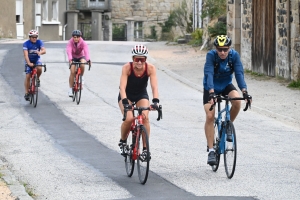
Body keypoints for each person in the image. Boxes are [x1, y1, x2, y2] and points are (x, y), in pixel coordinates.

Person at [203, 35, 252, 165]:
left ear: (229, 48)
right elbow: (208, 73)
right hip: (211, 87)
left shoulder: (234, 56)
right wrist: (212, 92)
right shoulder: (211, 56)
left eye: (225, 49)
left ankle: (228, 125)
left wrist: (245, 91)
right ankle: (211, 151)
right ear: (216, 49)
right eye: (220, 49)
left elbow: (239, 73)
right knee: (209, 115)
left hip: (225, 85)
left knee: (237, 101)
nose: (223, 52)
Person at [118, 44, 160, 158]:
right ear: (133, 59)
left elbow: (154, 87)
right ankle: (122, 141)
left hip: (141, 94)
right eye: (137, 59)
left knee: (145, 118)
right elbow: (122, 87)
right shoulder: (127, 68)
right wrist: (125, 102)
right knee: (129, 118)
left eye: (142, 60)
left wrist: (155, 101)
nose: (139, 62)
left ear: (145, 60)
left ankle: (145, 149)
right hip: (126, 95)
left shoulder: (150, 68)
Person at [23, 29, 46, 101]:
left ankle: (38, 78)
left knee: (39, 68)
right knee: (28, 76)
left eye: (36, 37)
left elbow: (44, 50)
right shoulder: (26, 43)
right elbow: (26, 55)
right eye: (33, 37)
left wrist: (40, 52)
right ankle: (26, 93)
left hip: (36, 59)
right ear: (30, 37)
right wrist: (29, 63)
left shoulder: (39, 42)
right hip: (29, 60)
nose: (34, 38)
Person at [66, 30, 91, 97]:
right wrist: (70, 60)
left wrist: (88, 59)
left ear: (80, 37)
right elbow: (69, 51)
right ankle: (70, 89)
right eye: (74, 37)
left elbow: (86, 52)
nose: (76, 38)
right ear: (72, 37)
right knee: (72, 71)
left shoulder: (83, 43)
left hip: (81, 56)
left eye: (78, 37)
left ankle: (81, 77)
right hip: (73, 57)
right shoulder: (70, 42)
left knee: (82, 64)